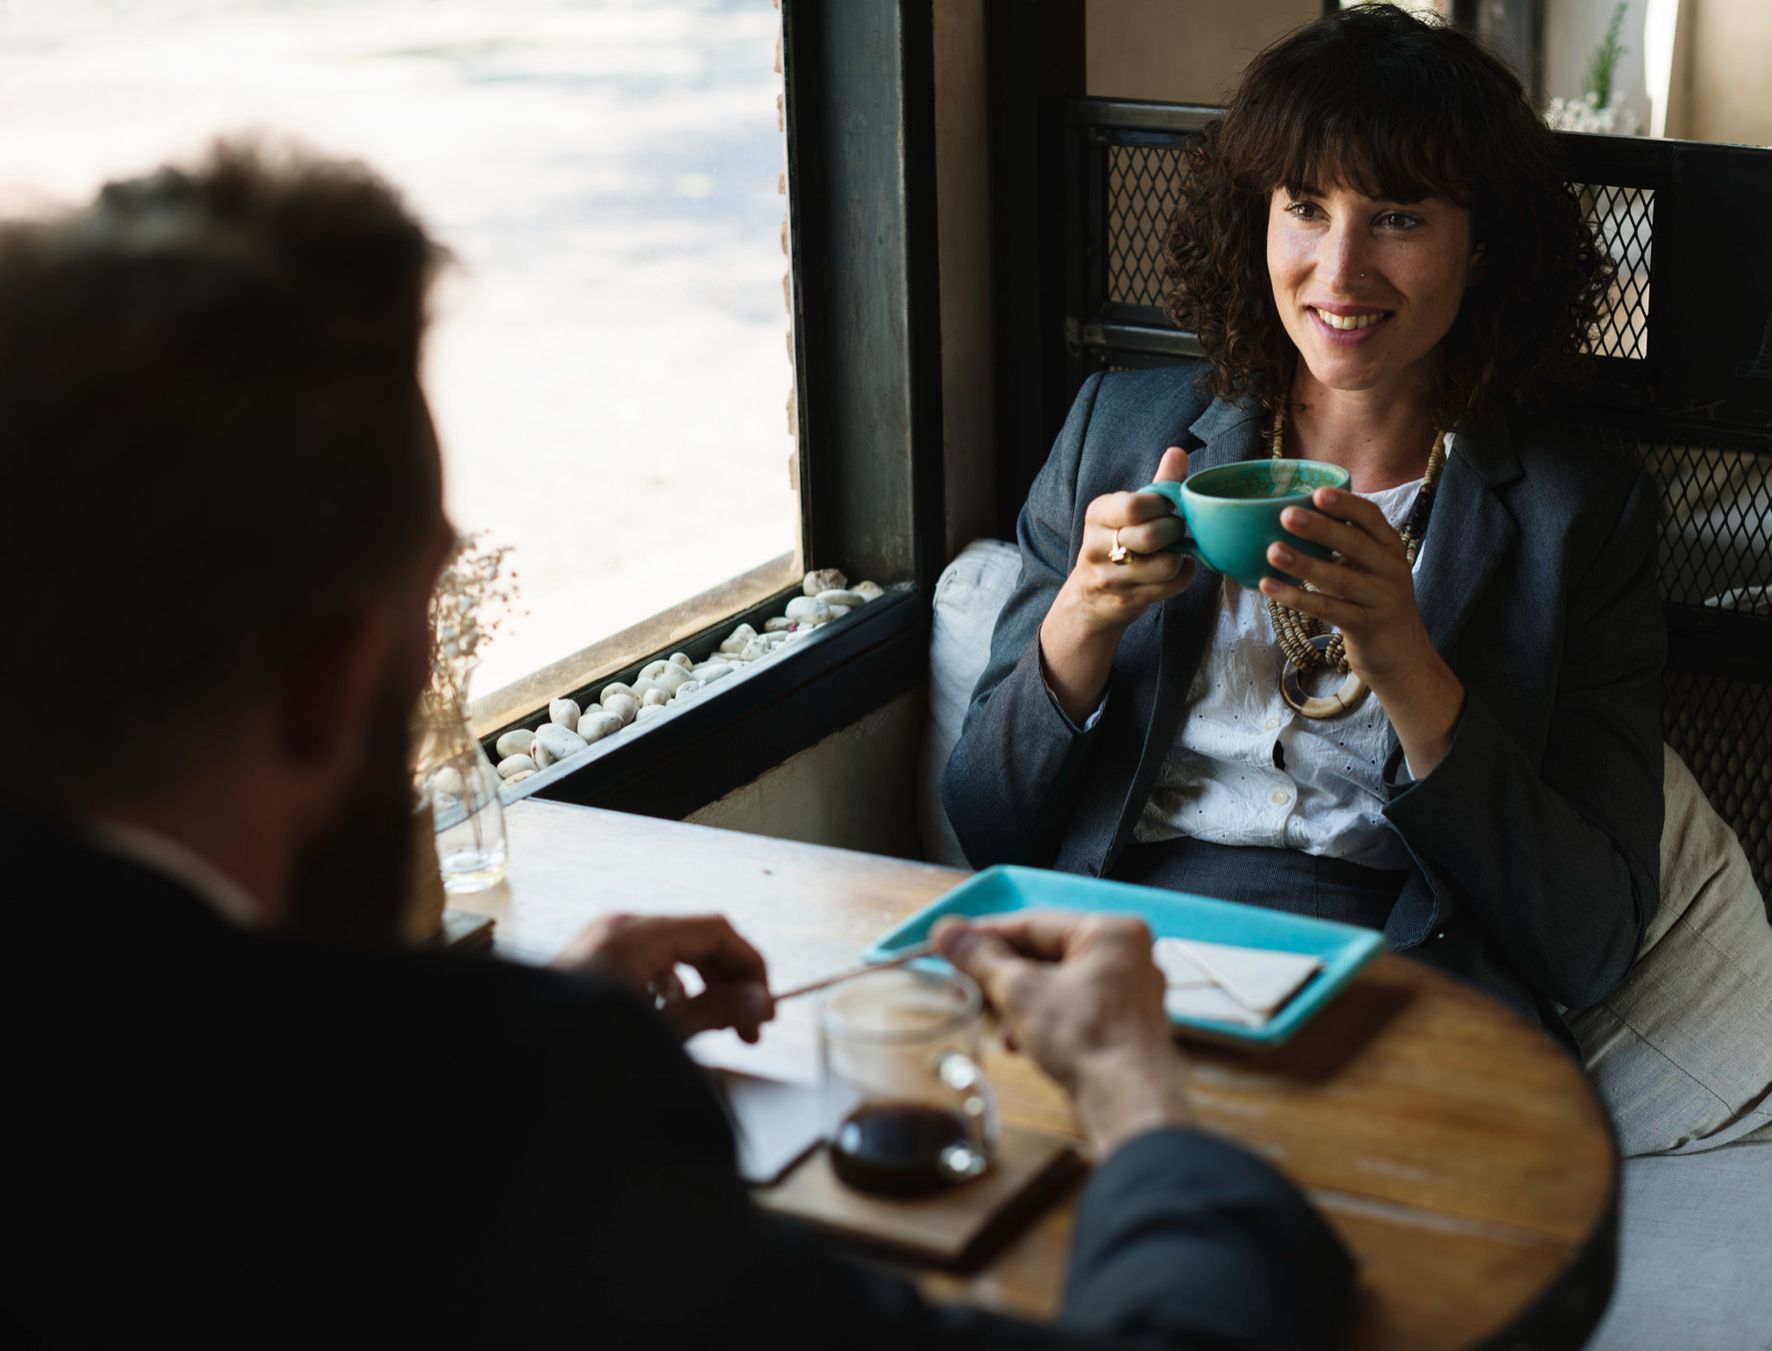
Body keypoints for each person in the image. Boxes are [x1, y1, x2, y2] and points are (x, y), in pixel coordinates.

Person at [0, 143, 1353, 1347]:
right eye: (431, 603)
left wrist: (495, 1047)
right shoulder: (517, 1148)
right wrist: (1138, 1096)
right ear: (331, 684)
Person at [943, 4, 1664, 1037]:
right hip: (1121, 945)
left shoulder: (1579, 516)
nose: (1340, 272)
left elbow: (1590, 943)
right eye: (1308, 209)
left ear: (1485, 247)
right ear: (1260, 221)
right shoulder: (1123, 430)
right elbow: (985, 824)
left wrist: (1406, 658)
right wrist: (1082, 623)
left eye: (1401, 217)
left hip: (1403, 978)